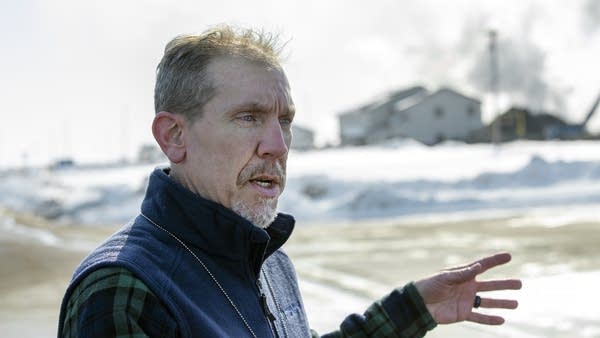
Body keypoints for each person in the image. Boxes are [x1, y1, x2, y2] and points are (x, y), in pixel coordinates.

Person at [57, 25, 522, 338]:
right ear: (174, 136)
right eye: (248, 117)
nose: (277, 145)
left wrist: (411, 309)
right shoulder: (124, 289)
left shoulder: (269, 263)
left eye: (285, 121)